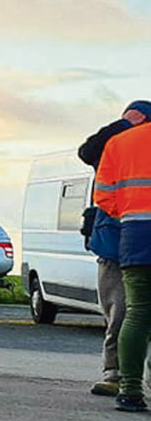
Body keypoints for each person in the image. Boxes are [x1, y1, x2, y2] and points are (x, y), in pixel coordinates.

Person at [78, 106, 146, 396]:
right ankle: (115, 374)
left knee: (134, 313)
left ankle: (125, 380)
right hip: (116, 243)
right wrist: (121, 124)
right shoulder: (116, 145)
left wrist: (126, 216)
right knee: (120, 312)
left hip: (128, 236)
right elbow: (87, 151)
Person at [92, 99, 151, 413]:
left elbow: (102, 195)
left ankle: (129, 390)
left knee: (137, 314)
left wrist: (128, 214)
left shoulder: (119, 143)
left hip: (135, 234)